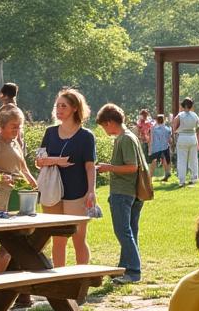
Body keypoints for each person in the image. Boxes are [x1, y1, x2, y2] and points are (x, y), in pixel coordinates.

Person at [36, 88, 97, 267]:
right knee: (58, 240)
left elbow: (90, 166)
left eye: (63, 106)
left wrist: (91, 191)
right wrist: (58, 161)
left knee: (79, 239)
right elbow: (39, 161)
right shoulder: (50, 132)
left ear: (75, 108)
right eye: (57, 106)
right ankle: (60, 283)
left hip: (77, 192)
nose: (59, 109)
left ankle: (81, 281)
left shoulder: (86, 136)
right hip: (51, 191)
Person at [0, 106, 38, 272]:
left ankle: (18, 286)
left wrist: (34, 184)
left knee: (23, 240)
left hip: (16, 199)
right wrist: (1, 176)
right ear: (1, 126)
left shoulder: (15, 143)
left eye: (19, 126)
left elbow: (24, 169)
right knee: (8, 243)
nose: (17, 130)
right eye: (14, 126)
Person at [95, 103, 146, 284]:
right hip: (131, 193)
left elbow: (132, 167)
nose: (104, 130)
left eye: (103, 126)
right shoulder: (129, 137)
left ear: (109, 122)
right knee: (129, 231)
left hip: (123, 192)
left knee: (123, 231)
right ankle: (125, 267)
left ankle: (133, 271)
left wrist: (109, 168)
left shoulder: (125, 139)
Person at [172, 97, 199, 187]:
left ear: (183, 105)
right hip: (192, 137)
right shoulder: (195, 115)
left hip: (182, 137)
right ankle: (194, 178)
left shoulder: (180, 115)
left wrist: (176, 132)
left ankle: (182, 180)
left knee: (182, 160)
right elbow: (197, 126)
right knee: (193, 159)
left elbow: (174, 127)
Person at [149, 113, 172, 183]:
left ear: (157, 120)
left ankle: (150, 177)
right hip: (165, 147)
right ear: (164, 120)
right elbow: (169, 140)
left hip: (156, 147)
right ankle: (167, 173)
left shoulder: (153, 129)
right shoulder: (168, 129)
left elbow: (151, 139)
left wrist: (150, 149)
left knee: (154, 162)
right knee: (165, 160)